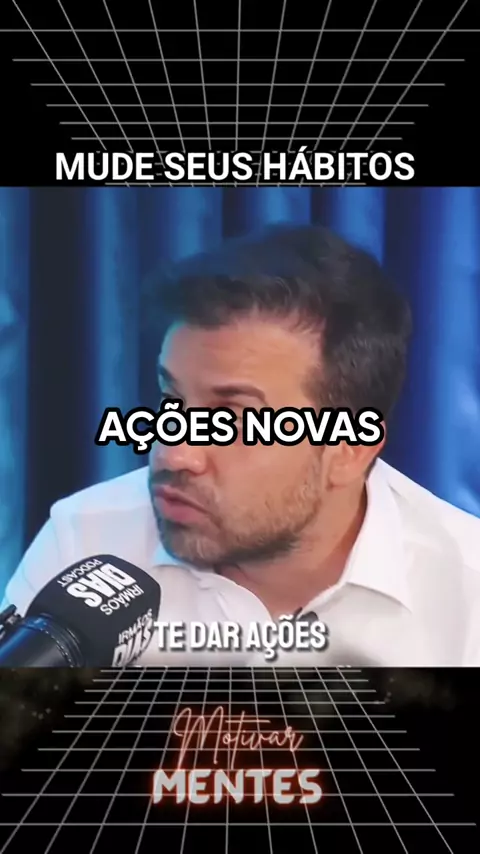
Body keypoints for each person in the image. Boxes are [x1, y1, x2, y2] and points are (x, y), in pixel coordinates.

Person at [3, 224, 480, 666]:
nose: (173, 453)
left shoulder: (467, 592)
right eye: (172, 400)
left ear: (349, 449)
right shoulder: (88, 541)